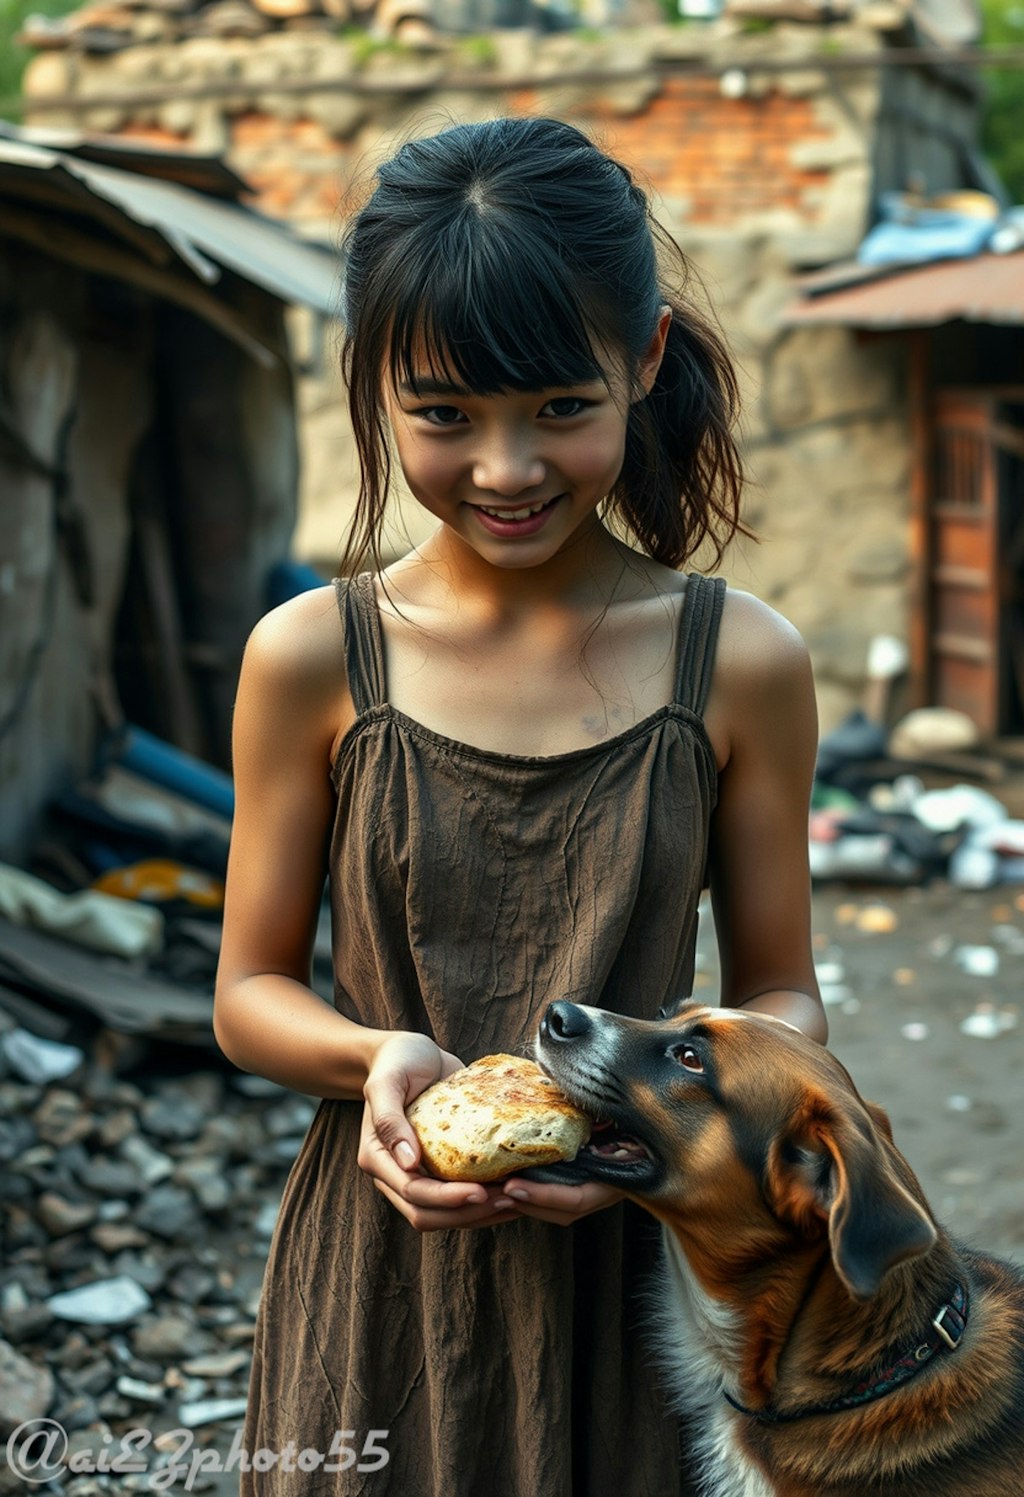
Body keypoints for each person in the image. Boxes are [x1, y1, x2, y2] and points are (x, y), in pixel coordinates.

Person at [213, 115, 825, 1497]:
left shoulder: (737, 661)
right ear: (374, 384)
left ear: (646, 359)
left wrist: (648, 1134)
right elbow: (248, 988)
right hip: (379, 1276)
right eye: (443, 415)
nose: (505, 467)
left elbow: (785, 993)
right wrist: (375, 1057)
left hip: (640, 1279)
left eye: (560, 406)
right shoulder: (311, 655)